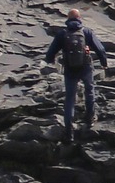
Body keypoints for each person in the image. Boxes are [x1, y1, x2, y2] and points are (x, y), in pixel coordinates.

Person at [44, 9, 109, 143]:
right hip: (86, 67)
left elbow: (50, 53)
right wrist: (104, 63)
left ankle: (69, 132)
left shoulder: (62, 34)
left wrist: (50, 61)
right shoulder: (86, 32)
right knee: (89, 91)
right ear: (79, 18)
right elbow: (100, 49)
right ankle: (90, 119)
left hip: (70, 69)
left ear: (68, 19)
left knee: (70, 99)